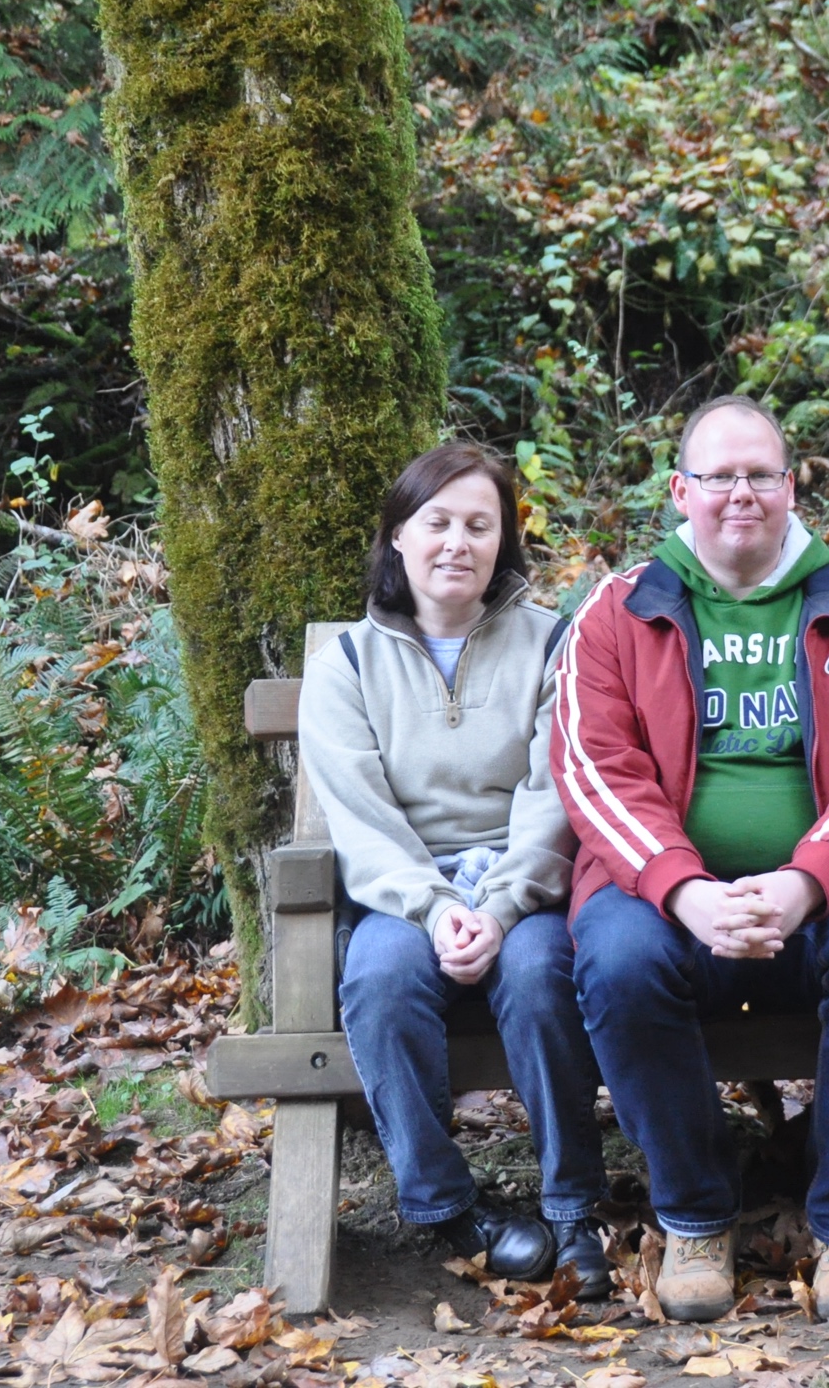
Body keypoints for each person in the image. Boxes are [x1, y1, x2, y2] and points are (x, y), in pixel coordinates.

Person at [554, 395, 829, 1322]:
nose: (741, 493)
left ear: (789, 487)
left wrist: (808, 879)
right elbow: (592, 767)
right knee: (612, 957)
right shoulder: (616, 614)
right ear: (680, 491)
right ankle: (693, 1213)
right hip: (664, 894)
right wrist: (684, 890)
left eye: (760, 474)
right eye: (719, 476)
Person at [302, 444, 611, 1295]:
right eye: (436, 522)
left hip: (525, 882)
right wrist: (436, 909)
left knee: (544, 973)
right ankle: (447, 1207)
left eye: (480, 525)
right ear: (398, 536)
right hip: (405, 895)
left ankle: (573, 1205)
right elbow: (362, 820)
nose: (456, 543)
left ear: (504, 540)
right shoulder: (347, 668)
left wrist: (504, 904)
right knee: (378, 981)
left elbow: (557, 790)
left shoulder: (553, 643)